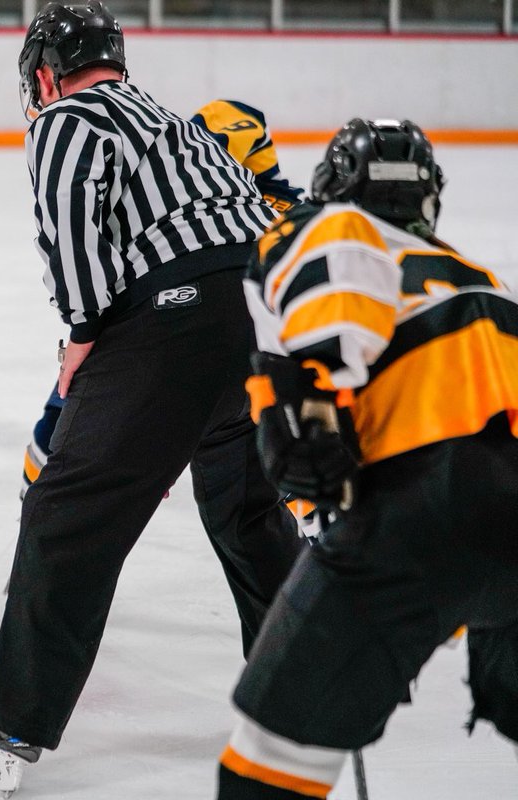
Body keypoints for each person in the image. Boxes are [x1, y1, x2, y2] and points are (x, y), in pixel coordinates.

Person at [0, 4, 306, 796]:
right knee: (247, 508)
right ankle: (306, 687)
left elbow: (76, 231)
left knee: (69, 508)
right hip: (266, 318)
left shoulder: (68, 117)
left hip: (177, 320)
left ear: (45, 70)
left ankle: (10, 725)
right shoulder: (178, 123)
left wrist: (82, 331)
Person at [215, 118, 518, 799]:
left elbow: (329, 313)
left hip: (420, 505)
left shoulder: (335, 229)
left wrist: (312, 415)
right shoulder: (489, 283)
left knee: (269, 761)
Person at [19, 97, 305, 501]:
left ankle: (43, 492)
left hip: (202, 313)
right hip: (242, 316)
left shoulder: (189, 172)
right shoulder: (277, 208)